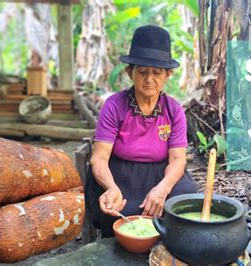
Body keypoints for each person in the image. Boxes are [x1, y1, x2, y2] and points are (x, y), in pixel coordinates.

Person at [85, 25, 197, 237]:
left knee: (186, 202)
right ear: (130, 72)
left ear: (168, 75)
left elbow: (178, 160)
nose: (149, 79)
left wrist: (162, 189)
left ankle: (169, 246)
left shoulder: (174, 110)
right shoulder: (114, 105)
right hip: (119, 173)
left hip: (160, 172)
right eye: (142, 71)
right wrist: (110, 187)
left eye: (156, 73)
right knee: (120, 209)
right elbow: (99, 159)